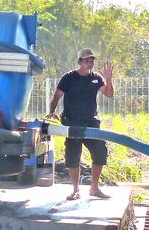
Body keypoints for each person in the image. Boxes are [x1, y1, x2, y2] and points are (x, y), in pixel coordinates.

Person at [47, 48, 114, 200]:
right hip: (72, 123)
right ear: (79, 62)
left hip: (91, 123)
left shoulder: (96, 78)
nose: (89, 64)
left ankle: (94, 188)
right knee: (73, 156)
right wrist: (52, 111)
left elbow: (109, 94)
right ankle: (75, 189)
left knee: (100, 152)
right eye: (86, 61)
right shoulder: (69, 78)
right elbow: (56, 96)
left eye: (91, 61)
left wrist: (109, 79)